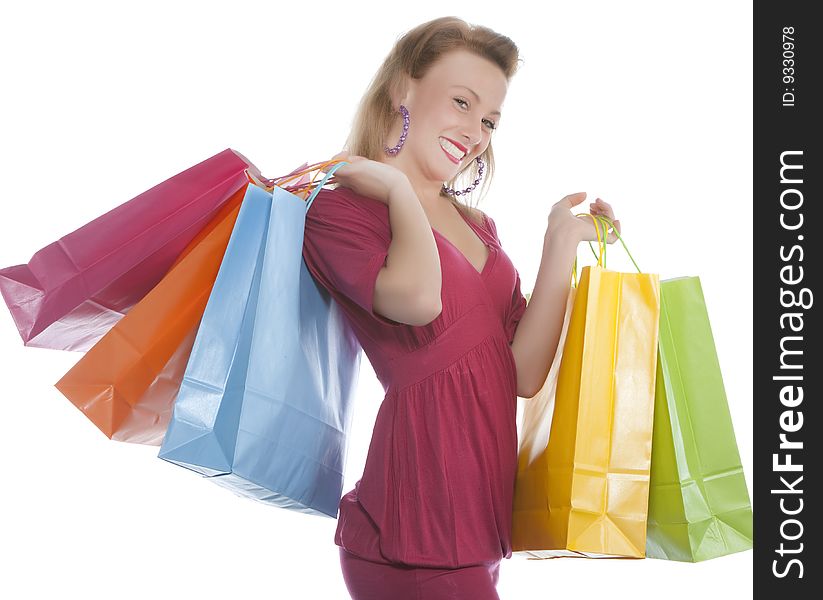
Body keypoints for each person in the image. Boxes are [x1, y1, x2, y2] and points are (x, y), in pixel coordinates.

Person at [301, 16, 621, 600]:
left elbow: (521, 374)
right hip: (414, 525)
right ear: (403, 90)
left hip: (480, 518)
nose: (475, 131)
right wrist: (400, 190)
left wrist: (559, 245)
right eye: (461, 102)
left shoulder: (480, 227)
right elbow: (419, 302)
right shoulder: (342, 211)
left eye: (490, 119)